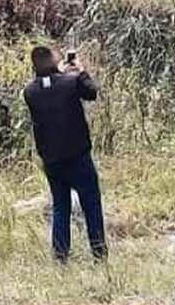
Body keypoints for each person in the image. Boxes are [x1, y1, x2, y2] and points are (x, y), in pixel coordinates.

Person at [23, 44, 107, 262]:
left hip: (51, 160)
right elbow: (91, 92)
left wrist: (58, 71)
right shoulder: (72, 82)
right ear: (53, 59)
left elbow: (49, 86)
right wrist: (80, 70)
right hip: (78, 155)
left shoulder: (29, 92)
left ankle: (60, 256)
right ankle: (99, 253)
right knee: (91, 203)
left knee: (60, 206)